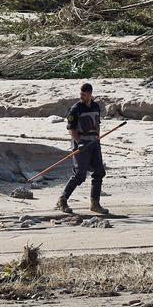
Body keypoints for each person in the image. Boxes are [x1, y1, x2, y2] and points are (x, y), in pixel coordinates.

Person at [56, 82, 109, 215]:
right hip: (81, 144)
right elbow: (71, 129)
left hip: (94, 143)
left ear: (90, 94)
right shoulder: (75, 109)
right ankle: (62, 200)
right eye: (80, 94)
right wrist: (79, 142)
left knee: (99, 172)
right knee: (80, 174)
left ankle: (95, 204)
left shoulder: (96, 106)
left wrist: (98, 138)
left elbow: (97, 124)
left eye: (84, 94)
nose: (81, 96)